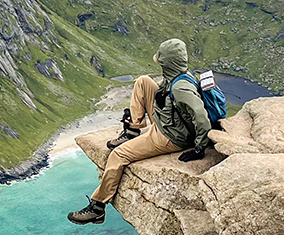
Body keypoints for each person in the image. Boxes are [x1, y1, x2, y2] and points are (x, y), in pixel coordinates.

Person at [68, 38, 211, 225]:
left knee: (118, 155)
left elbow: (201, 116)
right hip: (167, 122)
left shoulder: (181, 87)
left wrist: (199, 148)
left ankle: (97, 208)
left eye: (161, 61)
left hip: (170, 136)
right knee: (143, 81)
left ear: (168, 62)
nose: (159, 64)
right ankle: (133, 129)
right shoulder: (180, 76)